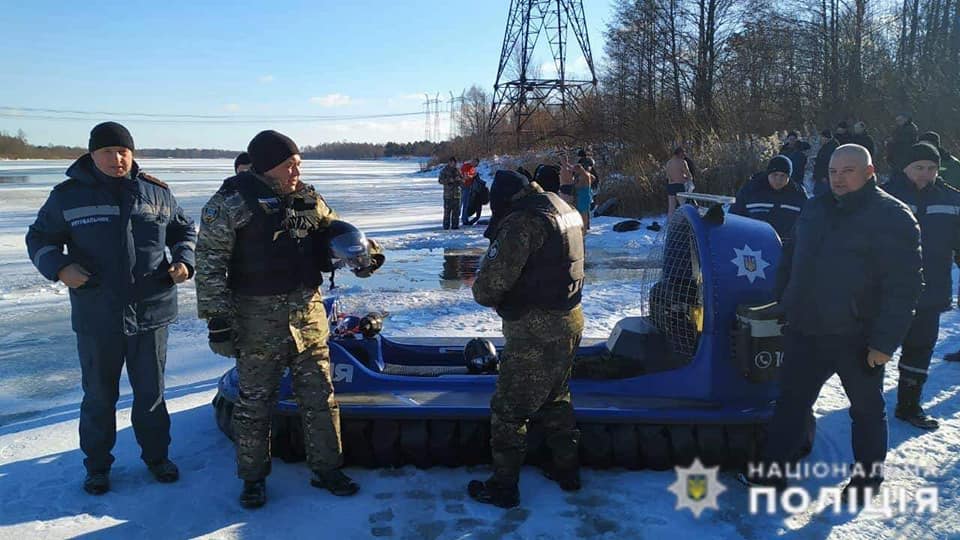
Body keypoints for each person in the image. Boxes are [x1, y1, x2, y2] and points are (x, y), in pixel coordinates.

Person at [195, 129, 383, 509]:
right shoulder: (232, 203)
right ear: (267, 166)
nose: (296, 170)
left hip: (308, 316)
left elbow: (339, 231)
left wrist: (367, 256)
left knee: (320, 397)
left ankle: (327, 469)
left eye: (298, 163)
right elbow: (210, 265)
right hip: (256, 320)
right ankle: (252, 478)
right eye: (289, 164)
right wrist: (218, 320)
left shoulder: (308, 200)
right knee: (254, 403)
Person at [25, 122, 196, 495]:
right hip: (97, 313)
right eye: (107, 152)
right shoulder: (67, 196)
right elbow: (38, 237)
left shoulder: (157, 192)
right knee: (100, 396)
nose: (117, 159)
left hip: (151, 310)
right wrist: (59, 267)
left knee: (151, 394)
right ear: (92, 155)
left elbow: (184, 230)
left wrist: (184, 260)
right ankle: (97, 466)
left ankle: (157, 458)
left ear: (132, 154)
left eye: (123, 151)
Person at [746, 144, 922, 503]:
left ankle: (866, 481)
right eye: (833, 171)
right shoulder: (816, 207)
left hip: (858, 337)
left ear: (870, 172)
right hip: (806, 329)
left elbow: (904, 288)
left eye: (848, 171)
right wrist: (784, 302)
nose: (839, 178)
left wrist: (885, 343)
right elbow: (791, 257)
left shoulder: (893, 217)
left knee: (867, 411)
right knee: (791, 404)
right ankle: (772, 473)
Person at [467, 170, 585, 509]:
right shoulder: (561, 206)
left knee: (509, 410)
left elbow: (488, 286)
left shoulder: (522, 222)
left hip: (535, 328)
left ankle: (504, 487)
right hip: (570, 319)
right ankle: (567, 470)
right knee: (557, 397)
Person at [881, 142, 960, 430]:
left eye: (932, 168)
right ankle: (867, 405)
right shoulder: (885, 196)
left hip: (931, 290)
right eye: (919, 168)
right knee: (875, 348)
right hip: (887, 292)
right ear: (905, 167)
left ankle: (909, 405)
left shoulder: (953, 200)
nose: (926, 174)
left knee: (920, 349)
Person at [729, 155, 807, 243]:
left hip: (787, 248)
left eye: (783, 176)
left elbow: (807, 223)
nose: (778, 180)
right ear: (768, 174)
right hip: (753, 245)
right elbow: (735, 218)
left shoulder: (798, 195)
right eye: (775, 175)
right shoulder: (751, 190)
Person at [665, 147, 693, 217]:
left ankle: (669, 224)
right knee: (684, 207)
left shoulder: (668, 162)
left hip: (670, 186)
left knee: (671, 208)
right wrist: (687, 179)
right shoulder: (682, 162)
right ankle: (688, 223)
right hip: (680, 186)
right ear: (680, 153)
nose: (684, 156)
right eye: (683, 154)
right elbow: (689, 175)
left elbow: (668, 176)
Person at [438, 157, 464, 230]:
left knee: (456, 211)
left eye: (454, 162)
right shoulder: (444, 170)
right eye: (451, 162)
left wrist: (460, 180)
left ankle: (455, 226)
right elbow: (440, 180)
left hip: (457, 194)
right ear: (449, 162)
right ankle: (446, 226)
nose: (452, 164)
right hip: (448, 194)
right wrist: (449, 180)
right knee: (447, 211)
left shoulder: (458, 170)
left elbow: (463, 180)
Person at [812, 129, 837, 195]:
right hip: (820, 177)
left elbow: (829, 163)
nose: (820, 139)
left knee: (823, 197)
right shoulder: (825, 147)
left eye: (822, 137)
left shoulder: (831, 148)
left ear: (826, 138)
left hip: (824, 179)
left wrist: (825, 176)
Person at [460, 158, 480, 226]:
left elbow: (472, 176)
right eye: (475, 164)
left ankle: (464, 219)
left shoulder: (473, 168)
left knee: (466, 204)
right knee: (460, 204)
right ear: (473, 161)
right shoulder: (466, 166)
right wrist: (472, 176)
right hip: (463, 187)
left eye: (477, 165)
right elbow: (466, 177)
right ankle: (455, 219)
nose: (476, 166)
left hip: (469, 187)